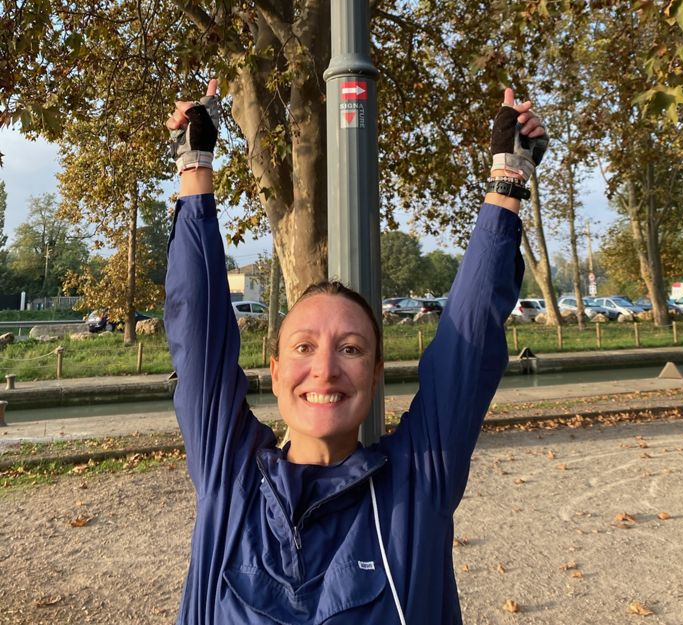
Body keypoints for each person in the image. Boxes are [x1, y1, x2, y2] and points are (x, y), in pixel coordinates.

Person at [164, 81, 547, 625]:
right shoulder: (231, 477)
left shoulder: (415, 487)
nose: (324, 368)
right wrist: (194, 165)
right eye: (303, 346)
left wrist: (507, 181)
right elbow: (196, 331)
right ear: (274, 374)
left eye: (350, 348)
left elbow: (470, 343)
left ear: (374, 374)